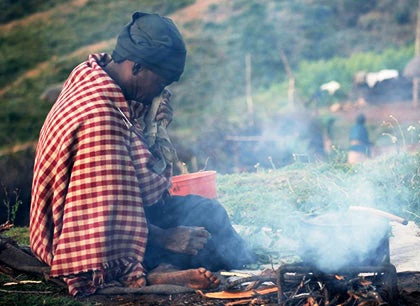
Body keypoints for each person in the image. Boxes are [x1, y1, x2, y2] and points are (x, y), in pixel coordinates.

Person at [29, 12, 254, 297]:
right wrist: (167, 237)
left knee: (206, 212)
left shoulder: (95, 76)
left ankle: (174, 265)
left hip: (109, 212)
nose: (161, 92)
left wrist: (153, 126)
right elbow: (106, 212)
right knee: (205, 236)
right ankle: (153, 272)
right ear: (136, 68)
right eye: (159, 84)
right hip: (82, 239)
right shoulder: (100, 118)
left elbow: (134, 176)